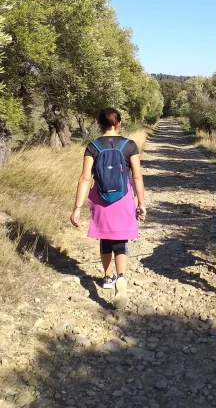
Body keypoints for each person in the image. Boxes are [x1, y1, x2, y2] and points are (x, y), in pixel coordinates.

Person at [70, 107, 146, 308]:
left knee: (105, 238)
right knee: (120, 240)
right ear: (119, 123)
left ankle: (107, 276)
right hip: (123, 199)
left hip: (101, 200)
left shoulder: (93, 146)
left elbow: (85, 178)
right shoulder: (129, 146)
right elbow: (137, 177)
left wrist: (77, 207)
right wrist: (141, 203)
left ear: (99, 124)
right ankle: (121, 277)